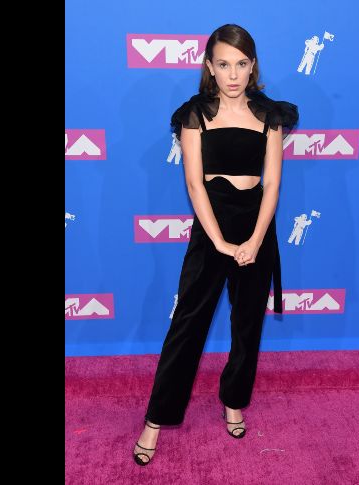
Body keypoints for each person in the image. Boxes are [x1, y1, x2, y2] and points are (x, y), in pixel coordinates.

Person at [132, 23, 298, 466]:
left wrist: (255, 240)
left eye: (241, 64)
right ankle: (156, 417)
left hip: (256, 225)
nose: (232, 73)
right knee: (187, 325)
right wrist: (222, 242)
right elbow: (194, 183)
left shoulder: (270, 116)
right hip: (212, 225)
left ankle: (233, 399)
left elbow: (273, 186)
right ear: (209, 66)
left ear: (252, 66)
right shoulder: (195, 114)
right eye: (223, 63)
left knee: (247, 326)